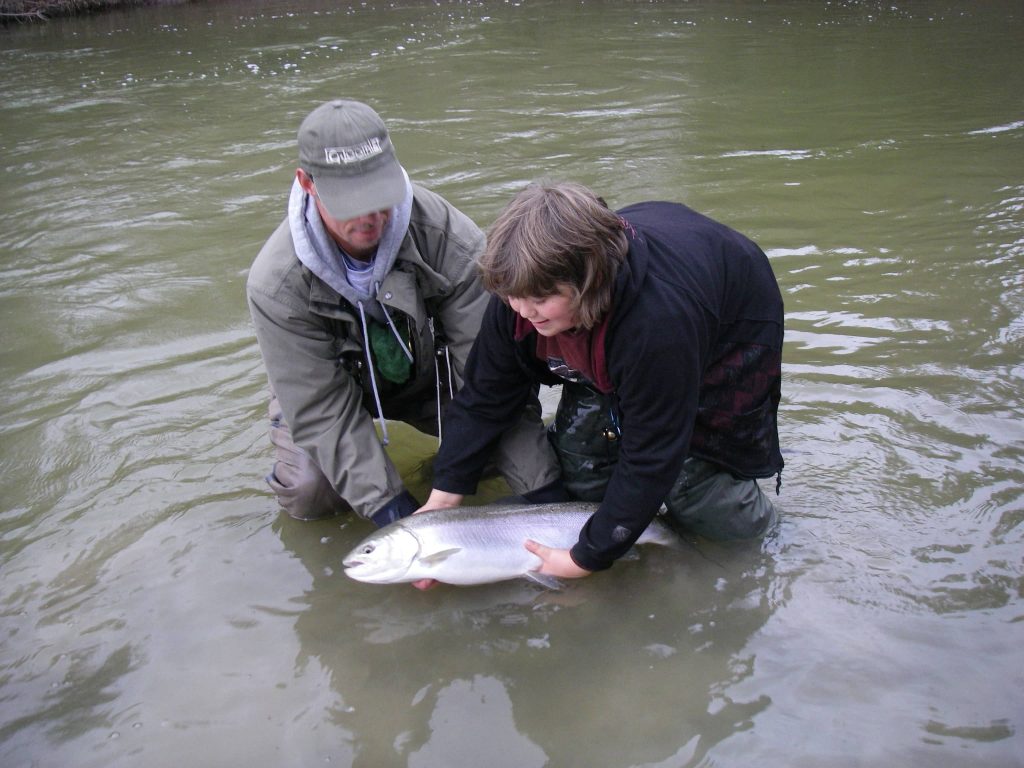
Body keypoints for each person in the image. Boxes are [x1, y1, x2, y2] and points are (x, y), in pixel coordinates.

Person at [422, 181, 784, 578]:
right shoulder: (520, 292)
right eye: (514, 298)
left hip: (729, 324)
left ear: (587, 282)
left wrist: (584, 559)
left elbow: (652, 455)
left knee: (691, 479)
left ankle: (775, 547)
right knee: (581, 464)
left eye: (541, 300)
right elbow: (485, 397)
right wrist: (444, 496)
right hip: (625, 327)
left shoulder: (657, 325)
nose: (524, 312)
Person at [246, 100, 560, 527]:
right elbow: (320, 409)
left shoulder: (452, 241)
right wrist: (394, 516)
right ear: (307, 183)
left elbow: (492, 377)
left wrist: (549, 499)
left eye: (378, 195)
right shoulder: (275, 285)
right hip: (332, 385)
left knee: (486, 456)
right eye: (351, 202)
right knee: (309, 494)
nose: (370, 216)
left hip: (431, 372)